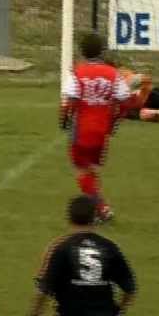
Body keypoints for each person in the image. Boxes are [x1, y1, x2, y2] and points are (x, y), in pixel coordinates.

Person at [25, 195, 137, 316]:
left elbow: (43, 290)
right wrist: (116, 313)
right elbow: (130, 289)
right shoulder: (110, 247)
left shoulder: (60, 247)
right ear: (95, 218)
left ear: (68, 218)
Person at [61, 33, 131, 223]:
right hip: (102, 132)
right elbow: (125, 100)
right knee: (91, 168)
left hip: (82, 130)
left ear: (82, 52)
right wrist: (115, 120)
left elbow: (70, 100)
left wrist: (64, 119)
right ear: (101, 51)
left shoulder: (78, 73)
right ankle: (96, 210)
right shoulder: (113, 74)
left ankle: (102, 208)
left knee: (81, 169)